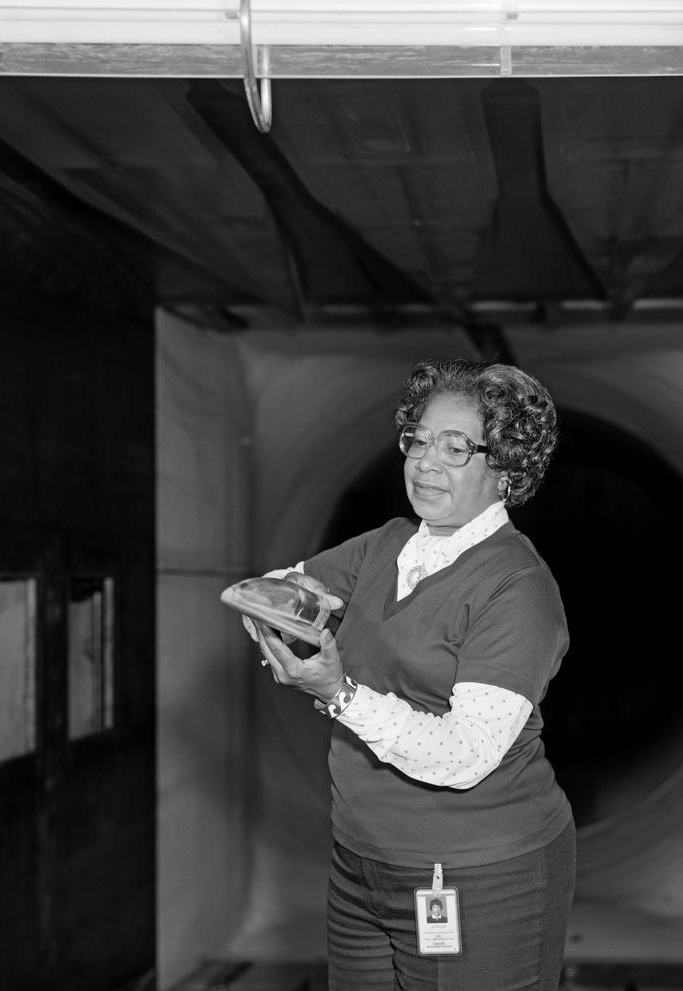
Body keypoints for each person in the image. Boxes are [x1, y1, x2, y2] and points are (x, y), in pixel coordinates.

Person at [248, 357, 574, 990]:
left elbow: (465, 753)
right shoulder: (387, 544)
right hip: (360, 866)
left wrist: (337, 693)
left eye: (455, 448)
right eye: (418, 440)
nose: (425, 462)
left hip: (482, 875)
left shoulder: (518, 588)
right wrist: (273, 605)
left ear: (505, 468)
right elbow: (292, 585)